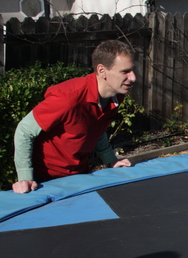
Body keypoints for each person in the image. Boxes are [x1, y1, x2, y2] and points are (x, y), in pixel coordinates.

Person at [12, 40, 135, 194]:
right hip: (46, 181)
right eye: (125, 72)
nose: (133, 77)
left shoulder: (115, 96)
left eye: (132, 70)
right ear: (102, 70)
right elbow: (24, 130)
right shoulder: (68, 97)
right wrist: (25, 177)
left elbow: (96, 128)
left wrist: (111, 160)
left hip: (80, 176)